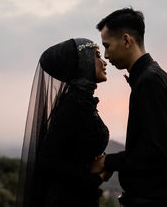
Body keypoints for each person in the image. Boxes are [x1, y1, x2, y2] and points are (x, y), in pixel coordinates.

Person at [91, 8, 167, 207]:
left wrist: (107, 162)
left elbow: (158, 151)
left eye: (107, 46)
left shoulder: (149, 81)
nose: (107, 55)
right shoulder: (153, 76)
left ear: (127, 40)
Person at [16, 38, 112, 207]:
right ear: (84, 63)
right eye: (97, 55)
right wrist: (94, 178)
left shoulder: (83, 103)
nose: (104, 62)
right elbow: (47, 160)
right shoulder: (73, 106)